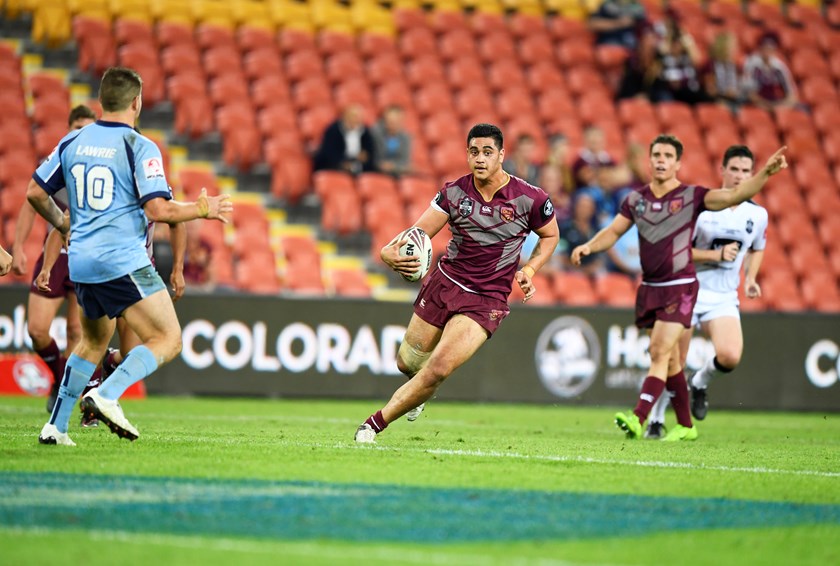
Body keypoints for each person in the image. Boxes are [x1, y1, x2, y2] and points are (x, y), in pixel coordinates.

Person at [27, 67, 232, 446]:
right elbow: (159, 211)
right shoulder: (138, 146)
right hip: (121, 260)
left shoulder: (73, 141)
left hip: (82, 262)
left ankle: (55, 426)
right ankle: (106, 394)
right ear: (136, 102)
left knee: (92, 343)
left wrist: (64, 223)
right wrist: (203, 209)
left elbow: (36, 193)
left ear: (101, 101)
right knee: (168, 338)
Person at [571, 134, 786, 441]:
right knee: (671, 360)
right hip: (650, 287)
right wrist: (589, 247)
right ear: (649, 160)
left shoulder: (692, 196)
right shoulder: (636, 200)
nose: (661, 160)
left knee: (659, 351)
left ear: (677, 164)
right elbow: (614, 231)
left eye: (667, 156)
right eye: (656, 155)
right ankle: (685, 424)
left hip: (682, 286)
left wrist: (765, 173)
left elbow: (732, 196)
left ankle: (639, 418)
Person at [354, 123, 559, 443]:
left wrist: (530, 269)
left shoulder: (529, 199)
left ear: (502, 155)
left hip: (486, 299)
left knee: (438, 368)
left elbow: (550, 235)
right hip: (445, 283)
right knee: (406, 363)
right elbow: (417, 234)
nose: (480, 159)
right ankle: (419, 392)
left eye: (487, 152)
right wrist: (386, 254)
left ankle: (372, 425)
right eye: (474, 152)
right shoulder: (454, 193)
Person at [645, 145, 767, 438]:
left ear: (752, 175)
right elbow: (677, 249)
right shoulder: (704, 209)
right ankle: (656, 420)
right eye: (734, 169)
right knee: (676, 361)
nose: (739, 176)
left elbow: (757, 247)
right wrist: (715, 256)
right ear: (722, 170)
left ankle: (699, 383)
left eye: (745, 171)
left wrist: (750, 277)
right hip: (688, 290)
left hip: (723, 297)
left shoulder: (757, 214)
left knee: (729, 356)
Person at [11, 105, 97, 413]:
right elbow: (29, 203)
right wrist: (18, 245)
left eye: (87, 129)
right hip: (54, 254)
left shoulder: (100, 164)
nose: (80, 134)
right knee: (36, 330)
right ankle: (63, 379)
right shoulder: (58, 160)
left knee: (78, 331)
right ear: (68, 127)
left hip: (86, 254)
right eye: (76, 127)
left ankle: (65, 395)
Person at [313, 104, 376, 175]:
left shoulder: (365, 131)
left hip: (358, 167)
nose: (355, 120)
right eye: (353, 117)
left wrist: (364, 158)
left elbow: (369, 153)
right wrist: (344, 163)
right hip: (335, 166)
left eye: (358, 118)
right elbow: (329, 152)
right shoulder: (333, 130)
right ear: (345, 117)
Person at [742, 31, 799, 110]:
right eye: (765, 48)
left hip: (778, 103)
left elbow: (791, 94)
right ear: (760, 48)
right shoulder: (752, 64)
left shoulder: (780, 67)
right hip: (758, 104)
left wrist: (782, 105)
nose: (767, 52)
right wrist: (765, 105)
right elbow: (749, 93)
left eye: (770, 49)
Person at [702, 31, 743, 110]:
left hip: (735, 99)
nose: (735, 49)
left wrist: (736, 92)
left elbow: (739, 85)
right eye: (732, 46)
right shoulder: (710, 65)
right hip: (717, 100)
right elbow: (710, 90)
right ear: (723, 47)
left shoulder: (735, 66)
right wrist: (725, 93)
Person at [370, 105, 412, 177]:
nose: (392, 124)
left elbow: (404, 161)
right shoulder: (375, 133)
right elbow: (371, 155)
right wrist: (380, 164)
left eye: (396, 121)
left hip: (396, 173)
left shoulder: (405, 138)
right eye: (390, 121)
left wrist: (393, 166)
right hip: (375, 171)